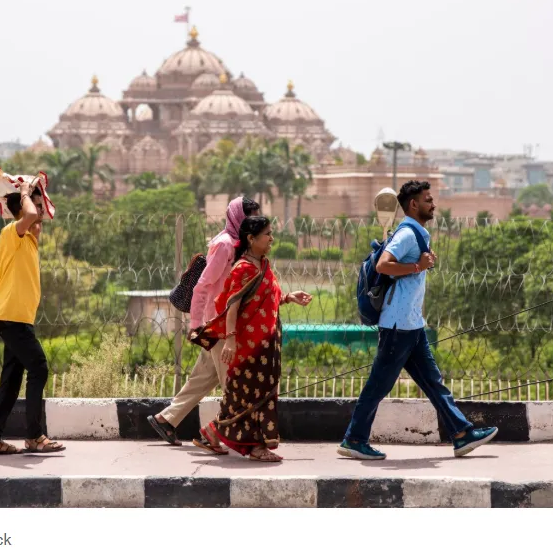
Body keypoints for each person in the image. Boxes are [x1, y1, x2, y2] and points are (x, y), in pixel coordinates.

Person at [338, 180, 498, 460]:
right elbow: (382, 264)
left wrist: (422, 263)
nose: (433, 204)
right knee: (378, 385)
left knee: (433, 382)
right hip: (398, 325)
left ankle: (461, 434)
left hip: (412, 324)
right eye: (428, 199)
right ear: (414, 204)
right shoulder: (408, 234)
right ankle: (354, 439)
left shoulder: (417, 233)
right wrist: (416, 266)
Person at [193, 216, 312, 462]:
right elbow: (232, 306)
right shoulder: (243, 269)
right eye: (267, 234)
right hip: (248, 345)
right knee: (248, 396)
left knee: (250, 395)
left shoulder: (264, 266)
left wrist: (289, 297)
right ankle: (256, 447)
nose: (272, 238)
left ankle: (213, 433)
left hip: (267, 344)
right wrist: (231, 339)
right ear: (251, 238)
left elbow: (266, 300)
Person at [148, 197, 260, 453]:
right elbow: (203, 286)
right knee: (234, 383)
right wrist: (196, 324)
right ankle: (215, 434)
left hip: (227, 323)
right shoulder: (224, 246)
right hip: (218, 324)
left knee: (202, 378)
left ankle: (166, 420)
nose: (253, 223)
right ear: (237, 218)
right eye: (249, 218)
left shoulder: (240, 246)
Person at [0, 182, 65, 455]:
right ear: (21, 209)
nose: (41, 214)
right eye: (36, 208)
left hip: (17, 317)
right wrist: (27, 194)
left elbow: (34, 221)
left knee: (12, 379)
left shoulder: (28, 238)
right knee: (38, 367)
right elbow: (28, 217)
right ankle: (35, 436)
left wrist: (35, 199)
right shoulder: (12, 232)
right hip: (11, 316)